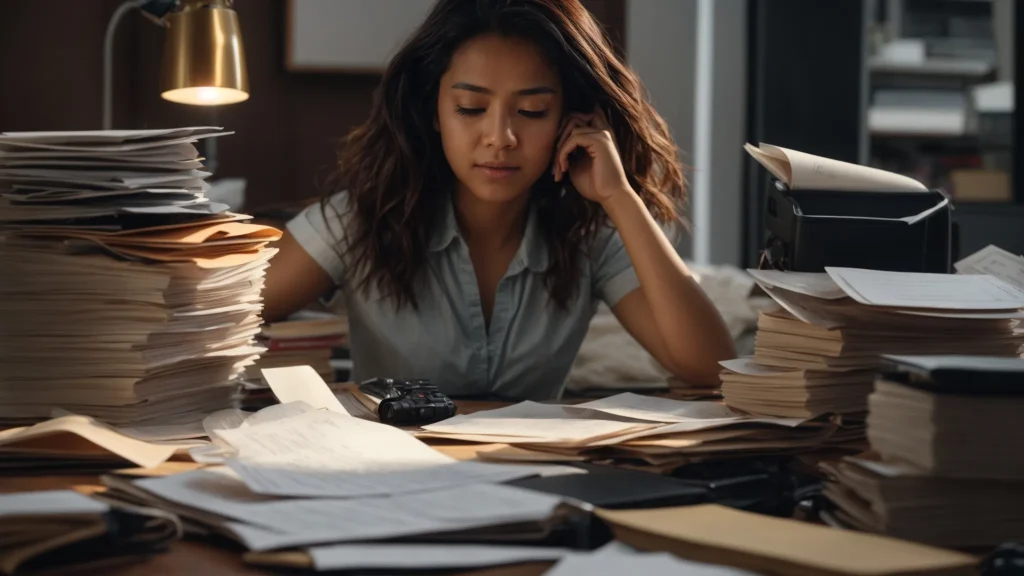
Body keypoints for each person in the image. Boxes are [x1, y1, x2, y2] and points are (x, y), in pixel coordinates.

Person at [263, 0, 736, 400]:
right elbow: (226, 315)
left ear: (568, 118)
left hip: (536, 473)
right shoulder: (360, 218)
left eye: (532, 111)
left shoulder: (589, 235)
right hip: (383, 471)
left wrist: (620, 197)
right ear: (434, 111)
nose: (500, 137)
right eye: (471, 108)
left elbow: (712, 368)